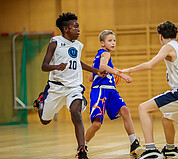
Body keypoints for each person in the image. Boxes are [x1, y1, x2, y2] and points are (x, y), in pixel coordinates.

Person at [119, 21, 178, 159]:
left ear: (160, 37)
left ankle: (151, 150)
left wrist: (129, 70)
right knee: (167, 119)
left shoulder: (168, 47)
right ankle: (170, 149)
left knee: (143, 108)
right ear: (176, 36)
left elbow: (150, 65)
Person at [33, 12, 107, 159]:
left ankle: (81, 150)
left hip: (74, 87)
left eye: (78, 27)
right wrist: (56, 67)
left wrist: (96, 71)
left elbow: (77, 63)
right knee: (45, 120)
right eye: (75, 27)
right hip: (56, 87)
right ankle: (41, 101)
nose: (78, 30)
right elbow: (44, 66)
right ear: (66, 29)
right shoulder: (55, 42)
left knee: (76, 112)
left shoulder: (78, 45)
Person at [84, 30, 144, 156]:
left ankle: (134, 143)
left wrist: (102, 72)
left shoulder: (100, 55)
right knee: (96, 124)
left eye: (114, 40)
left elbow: (90, 78)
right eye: (110, 40)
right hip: (100, 90)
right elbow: (103, 65)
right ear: (102, 43)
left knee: (125, 111)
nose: (113, 43)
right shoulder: (105, 54)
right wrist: (120, 74)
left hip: (111, 90)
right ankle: (82, 146)